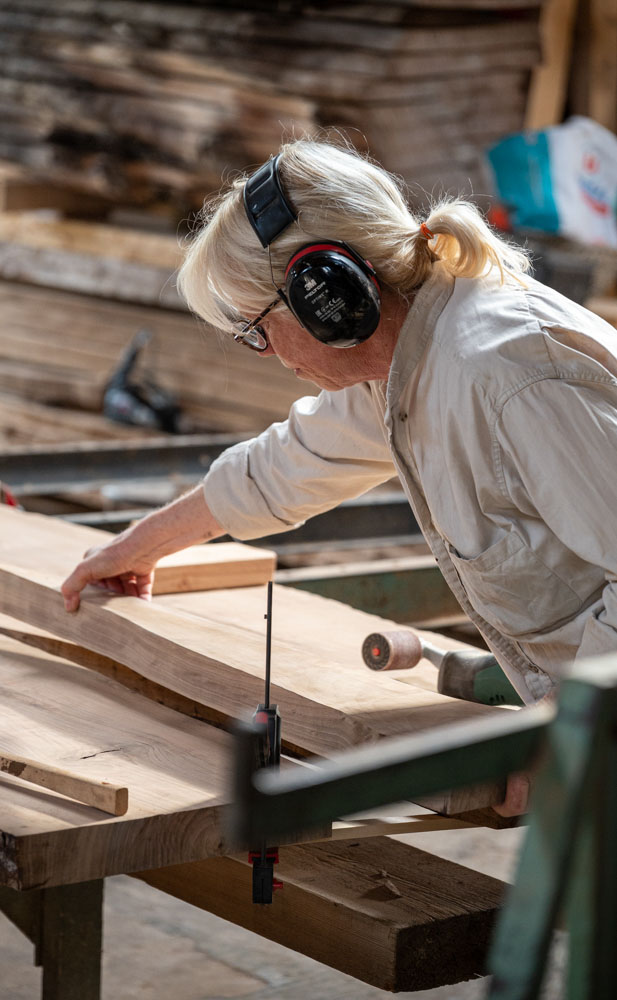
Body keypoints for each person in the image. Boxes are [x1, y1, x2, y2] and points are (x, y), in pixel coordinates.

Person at [61, 137, 617, 815]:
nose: (265, 355)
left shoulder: (505, 375)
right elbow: (287, 465)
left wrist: (558, 732)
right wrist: (136, 546)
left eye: (258, 331)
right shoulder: (409, 359)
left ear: (327, 295)